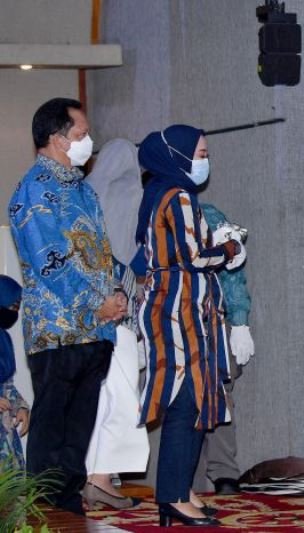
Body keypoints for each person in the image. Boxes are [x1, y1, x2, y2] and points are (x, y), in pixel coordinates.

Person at [7, 98, 127, 515]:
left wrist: (119, 294)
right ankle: (45, 512)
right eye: (81, 135)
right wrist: (96, 307)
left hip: (96, 333)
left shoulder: (81, 190)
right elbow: (50, 263)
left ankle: (69, 508)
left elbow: (100, 253)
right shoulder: (33, 192)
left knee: (78, 432)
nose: (88, 142)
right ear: (57, 138)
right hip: (59, 332)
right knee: (53, 430)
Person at [136, 124, 244, 527]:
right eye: (199, 153)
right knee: (187, 403)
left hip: (179, 306)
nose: (204, 160)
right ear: (177, 156)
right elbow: (193, 256)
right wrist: (231, 248)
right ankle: (174, 495)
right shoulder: (177, 196)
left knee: (193, 400)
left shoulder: (159, 192)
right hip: (179, 310)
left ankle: (181, 489)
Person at [82, 139, 150, 510]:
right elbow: (136, 262)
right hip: (118, 319)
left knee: (98, 400)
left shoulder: (85, 197)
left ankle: (94, 477)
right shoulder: (130, 198)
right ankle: (102, 477)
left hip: (87, 322)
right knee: (121, 399)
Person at [194, 202, 254, 495]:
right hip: (170, 318)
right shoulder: (150, 214)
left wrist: (239, 321)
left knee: (219, 394)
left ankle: (224, 473)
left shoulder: (207, 213)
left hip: (213, 318)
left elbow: (232, 270)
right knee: (181, 401)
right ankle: (184, 479)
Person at [0, 275, 29, 471]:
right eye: (11, 306)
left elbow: (7, 383)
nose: (14, 312)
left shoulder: (3, 338)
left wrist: (21, 407)